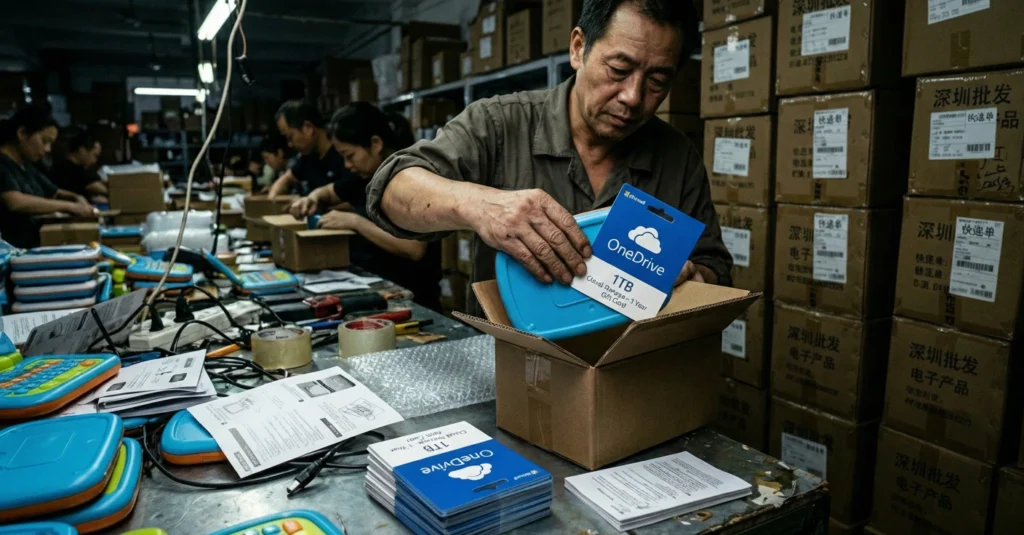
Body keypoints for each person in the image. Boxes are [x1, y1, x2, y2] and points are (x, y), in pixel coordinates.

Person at [366, 0, 730, 316]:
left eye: (657, 81)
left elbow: (714, 264)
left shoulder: (678, 157)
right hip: (508, 369)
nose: (633, 97)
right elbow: (392, 188)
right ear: (578, 48)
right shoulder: (499, 124)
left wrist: (691, 280)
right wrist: (478, 205)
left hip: (624, 371)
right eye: (618, 70)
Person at [289, 103, 441, 311]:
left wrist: (355, 222)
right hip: (376, 292)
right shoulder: (367, 176)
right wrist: (312, 198)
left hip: (412, 301)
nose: (347, 165)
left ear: (376, 143)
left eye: (350, 155)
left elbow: (414, 249)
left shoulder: (413, 178)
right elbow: (329, 191)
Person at [0, 105, 95, 248]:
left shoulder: (28, 165)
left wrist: (77, 198)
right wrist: (70, 206)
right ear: (22, 133)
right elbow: (16, 202)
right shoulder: (3, 164)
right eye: (44, 141)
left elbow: (55, 192)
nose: (47, 149)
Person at [266, 100, 361, 205]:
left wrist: (312, 204)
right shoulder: (308, 157)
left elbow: (356, 201)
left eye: (290, 137)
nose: (289, 144)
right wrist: (273, 197)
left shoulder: (344, 156)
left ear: (308, 128)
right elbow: (286, 179)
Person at [48, 126, 108, 203]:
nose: (95, 160)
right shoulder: (67, 169)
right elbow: (94, 186)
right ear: (81, 150)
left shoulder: (78, 168)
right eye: (94, 155)